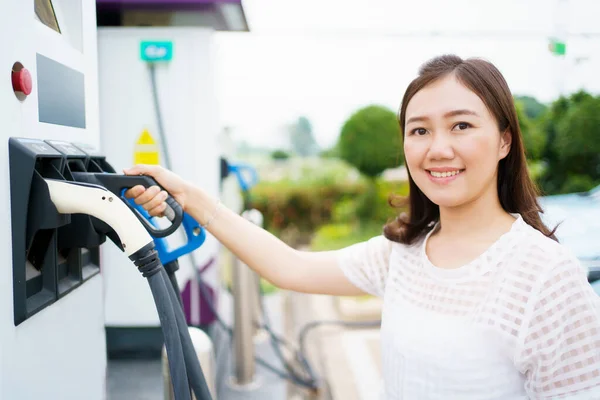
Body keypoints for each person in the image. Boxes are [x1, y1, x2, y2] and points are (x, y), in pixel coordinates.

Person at [124, 54, 600, 399]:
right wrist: (192, 199)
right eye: (419, 130)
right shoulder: (403, 253)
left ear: (503, 141)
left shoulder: (547, 274)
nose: (438, 148)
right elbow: (289, 268)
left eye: (461, 126)